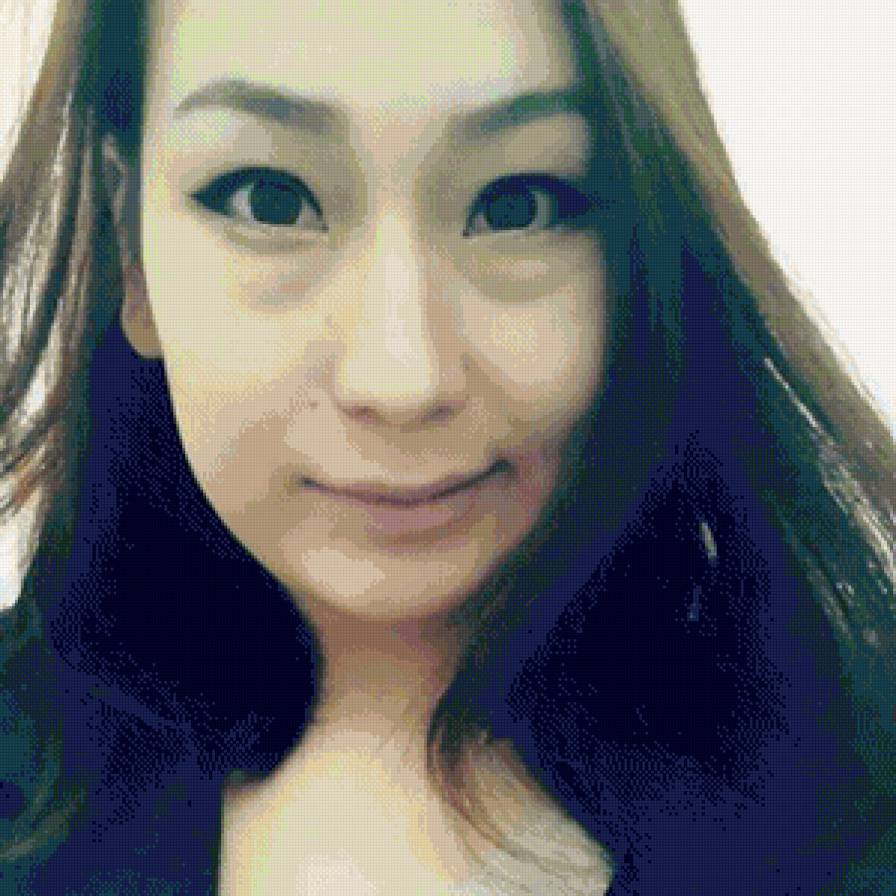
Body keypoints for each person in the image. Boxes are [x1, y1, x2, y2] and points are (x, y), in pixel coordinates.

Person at [0, 0, 894, 893]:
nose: (404, 378)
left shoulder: (849, 798)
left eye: (519, 204)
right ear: (134, 250)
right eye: (268, 198)